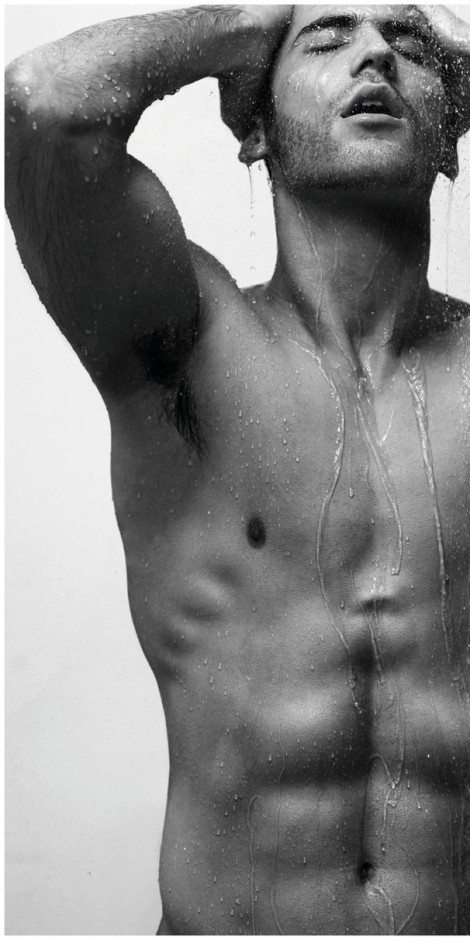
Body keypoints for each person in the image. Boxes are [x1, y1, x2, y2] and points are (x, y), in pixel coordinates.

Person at [5, 3, 470, 934]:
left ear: (453, 137)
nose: (375, 55)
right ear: (253, 130)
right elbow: (45, 102)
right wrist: (255, 23)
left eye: (411, 44)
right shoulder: (190, 345)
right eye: (329, 39)